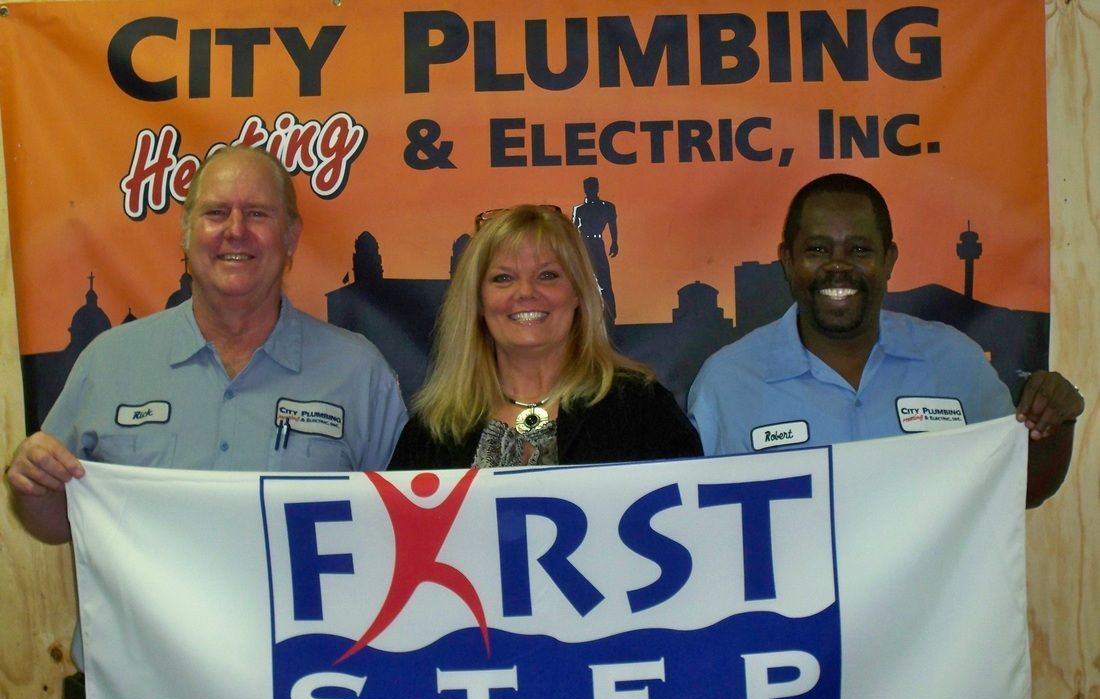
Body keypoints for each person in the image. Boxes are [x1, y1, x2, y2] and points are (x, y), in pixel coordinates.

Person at [5, 145, 407, 699]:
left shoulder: (358, 373)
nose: (236, 232)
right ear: (187, 233)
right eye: (216, 212)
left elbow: (404, 536)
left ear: (292, 235)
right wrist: (33, 485)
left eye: (259, 214)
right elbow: (56, 523)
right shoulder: (109, 363)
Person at [687, 173, 1083, 508]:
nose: (838, 265)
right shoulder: (727, 383)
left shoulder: (954, 362)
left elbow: (1021, 487)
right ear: (788, 261)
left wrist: (1057, 417)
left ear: (889, 260)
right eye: (818, 249)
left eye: (859, 249)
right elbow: (698, 518)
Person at [388, 204, 700, 469]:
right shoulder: (432, 430)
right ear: (479, 302)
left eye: (547, 275)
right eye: (503, 278)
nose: (525, 292)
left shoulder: (641, 410)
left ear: (578, 293)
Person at [571, 177, 620, 322]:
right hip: (583, 244)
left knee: (604, 279)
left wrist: (614, 242)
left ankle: (610, 315)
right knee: (583, 278)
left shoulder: (606, 206)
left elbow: (612, 224)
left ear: (597, 187)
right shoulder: (579, 209)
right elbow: (573, 229)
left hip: (597, 243)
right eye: (588, 187)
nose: (590, 189)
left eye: (593, 186)